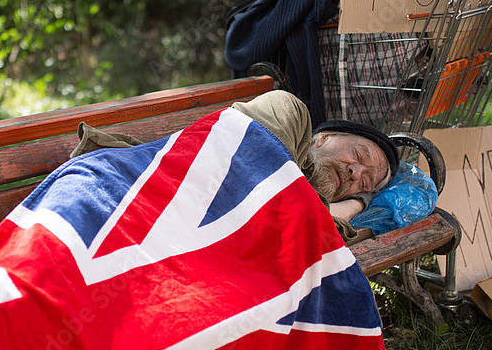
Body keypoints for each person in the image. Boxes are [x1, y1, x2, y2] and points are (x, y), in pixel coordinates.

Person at [73, 89, 399, 242]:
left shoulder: (311, 211)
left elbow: (303, 232)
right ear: (323, 138)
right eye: (358, 155)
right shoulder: (289, 111)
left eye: (364, 184)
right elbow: (257, 190)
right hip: (121, 202)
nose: (356, 173)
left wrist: (354, 204)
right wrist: (345, 210)